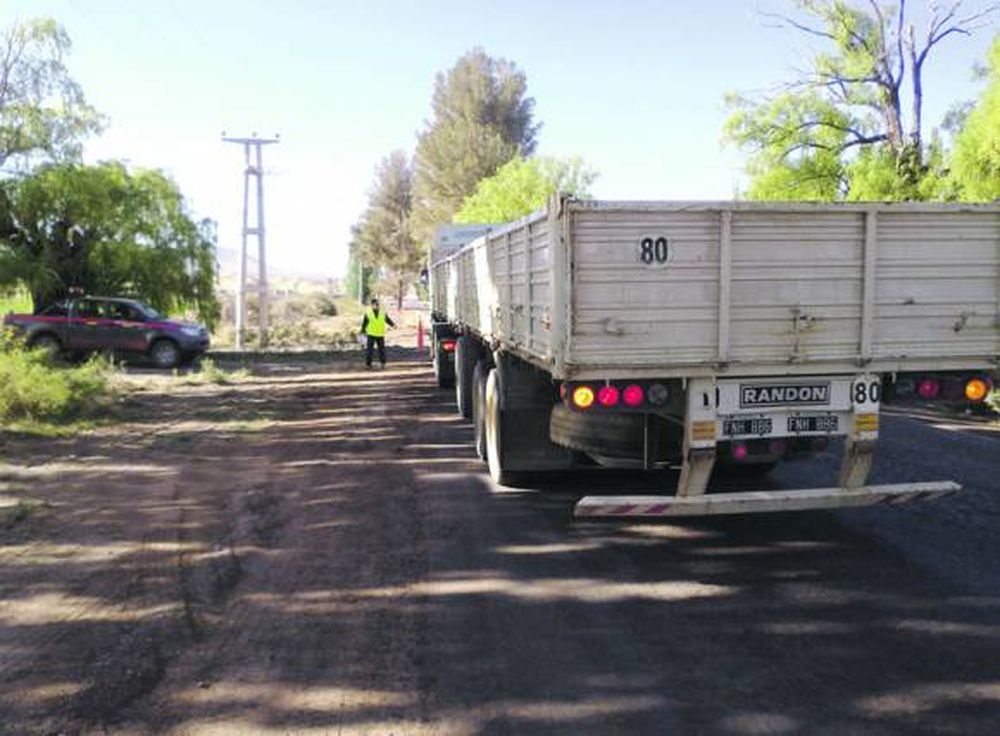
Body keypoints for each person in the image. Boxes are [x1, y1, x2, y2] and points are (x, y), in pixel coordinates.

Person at [360, 297, 395, 368]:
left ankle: (383, 363)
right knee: (369, 350)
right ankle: (368, 364)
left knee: (381, 350)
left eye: (377, 304)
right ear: (372, 305)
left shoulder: (382, 313)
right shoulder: (368, 314)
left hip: (380, 334)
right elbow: (364, 323)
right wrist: (363, 331)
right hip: (371, 334)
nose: (376, 306)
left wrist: (393, 325)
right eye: (374, 304)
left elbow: (387, 320)